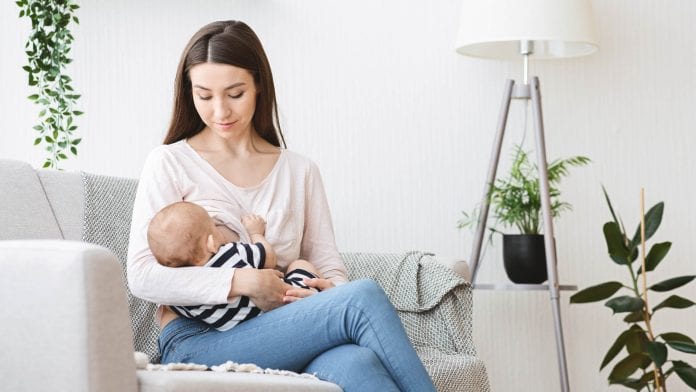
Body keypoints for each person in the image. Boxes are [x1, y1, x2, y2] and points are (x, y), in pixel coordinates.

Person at [126, 20, 436, 392]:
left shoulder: (300, 170)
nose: (220, 110)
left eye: (235, 93)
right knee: (361, 298)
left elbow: (328, 264)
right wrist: (243, 280)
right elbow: (142, 275)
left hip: (285, 325)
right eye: (204, 96)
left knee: (359, 362)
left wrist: (321, 294)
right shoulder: (170, 162)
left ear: (258, 85)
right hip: (198, 339)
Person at [146, 201, 321, 331]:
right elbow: (269, 258)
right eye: (214, 227)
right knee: (300, 264)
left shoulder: (181, 300)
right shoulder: (229, 253)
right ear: (211, 243)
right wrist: (255, 233)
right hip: (290, 302)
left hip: (243, 334)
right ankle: (323, 298)